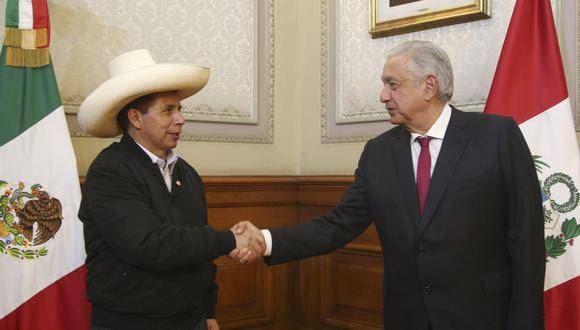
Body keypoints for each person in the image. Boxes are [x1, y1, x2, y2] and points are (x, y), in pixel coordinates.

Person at [232, 40, 545, 330]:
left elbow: (526, 239)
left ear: (429, 86)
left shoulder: (496, 137)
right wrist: (267, 240)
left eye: (392, 85)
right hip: (407, 317)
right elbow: (338, 224)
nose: (383, 96)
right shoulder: (379, 153)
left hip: (483, 317)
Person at [77, 49, 263, 330]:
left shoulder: (186, 174)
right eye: (168, 110)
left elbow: (197, 249)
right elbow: (150, 245)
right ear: (136, 118)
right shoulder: (109, 171)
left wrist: (207, 310)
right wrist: (230, 240)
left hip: (191, 320)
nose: (180, 119)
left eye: (179, 109)